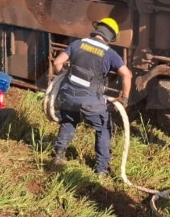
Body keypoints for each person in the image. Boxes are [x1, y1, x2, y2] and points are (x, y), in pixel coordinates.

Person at [51, 17, 132, 176]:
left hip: (68, 95)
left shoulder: (77, 44)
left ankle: (58, 155)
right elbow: (127, 75)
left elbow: (56, 63)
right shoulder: (110, 54)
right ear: (110, 36)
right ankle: (101, 169)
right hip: (91, 99)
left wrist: (63, 76)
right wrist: (124, 98)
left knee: (69, 120)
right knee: (103, 128)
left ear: (97, 29)